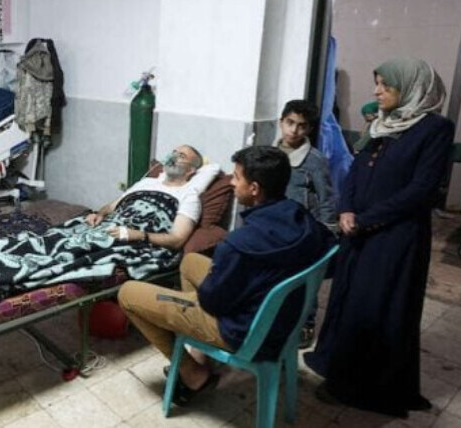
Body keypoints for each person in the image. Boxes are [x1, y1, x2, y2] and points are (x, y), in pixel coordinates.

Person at [0, 145, 221, 313]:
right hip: (106, 226)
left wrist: (137, 235)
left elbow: (177, 239)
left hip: (132, 238)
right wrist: (98, 214)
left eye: (181, 157)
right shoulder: (146, 182)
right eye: (172, 152)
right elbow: (112, 206)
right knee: (40, 240)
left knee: (65, 254)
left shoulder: (189, 195)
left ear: (192, 170)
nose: (173, 158)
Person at [118, 146, 332, 406]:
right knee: (190, 262)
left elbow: (212, 302)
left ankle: (192, 374)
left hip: (244, 331)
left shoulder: (240, 244)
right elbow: (330, 252)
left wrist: (218, 277)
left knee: (128, 293)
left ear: (254, 188)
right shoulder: (303, 219)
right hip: (284, 319)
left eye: (237, 177)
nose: (231, 182)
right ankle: (201, 355)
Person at [304, 58, 454, 418]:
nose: (376, 92)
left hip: (395, 237)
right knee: (347, 299)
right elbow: (355, 171)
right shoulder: (383, 123)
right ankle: (335, 366)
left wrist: (366, 219)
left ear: (411, 88)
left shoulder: (434, 129)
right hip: (357, 230)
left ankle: (364, 387)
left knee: (376, 306)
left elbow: (422, 190)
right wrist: (345, 209)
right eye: (377, 84)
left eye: (386, 85)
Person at [275, 99, 338, 348]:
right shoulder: (270, 153)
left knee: (303, 281)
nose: (294, 130)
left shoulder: (314, 160)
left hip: (302, 231)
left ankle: (306, 323)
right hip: (274, 227)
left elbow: (326, 198)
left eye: (301, 126)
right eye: (290, 123)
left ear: (309, 129)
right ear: (281, 122)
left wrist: (327, 233)